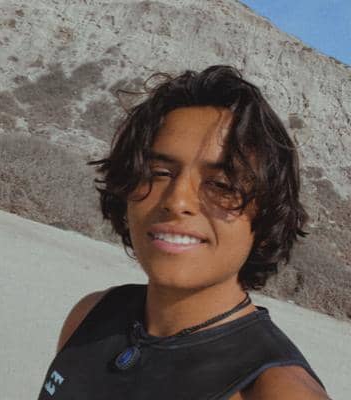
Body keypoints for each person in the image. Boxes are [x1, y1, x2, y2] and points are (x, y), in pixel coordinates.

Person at [37, 65, 331, 399]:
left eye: (221, 184)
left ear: (267, 217)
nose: (177, 201)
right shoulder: (91, 315)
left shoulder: (276, 391)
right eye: (159, 172)